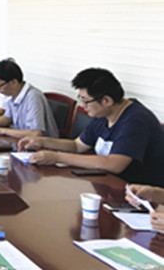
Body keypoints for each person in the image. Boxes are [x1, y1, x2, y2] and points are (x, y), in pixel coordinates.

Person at [19, 68, 164, 186]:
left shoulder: (136, 120)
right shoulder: (104, 114)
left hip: (142, 194)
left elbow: (114, 164)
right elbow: (77, 146)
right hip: (109, 183)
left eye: (86, 101)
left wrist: (57, 157)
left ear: (106, 100)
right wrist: (43, 142)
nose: (82, 106)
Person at [0, 59, 58, 139]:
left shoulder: (33, 97)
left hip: (42, 146)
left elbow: (35, 133)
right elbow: (7, 119)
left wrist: (1, 130)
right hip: (23, 141)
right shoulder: (13, 96)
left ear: (13, 82)